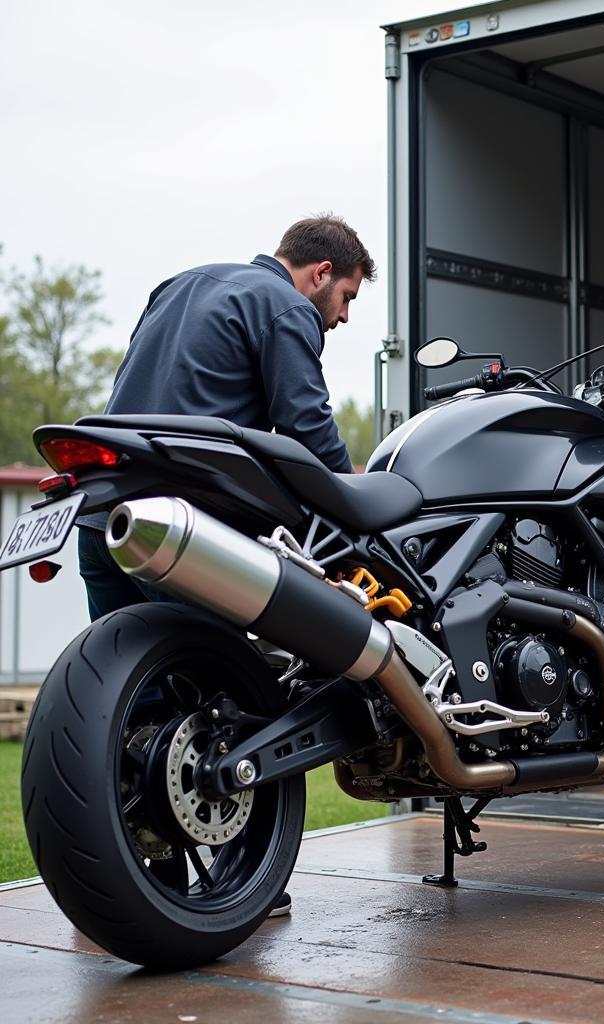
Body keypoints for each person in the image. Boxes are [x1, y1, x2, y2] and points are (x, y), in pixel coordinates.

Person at [76, 213, 376, 918]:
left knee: (135, 715)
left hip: (105, 517)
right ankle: (238, 883)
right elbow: (305, 425)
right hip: (185, 531)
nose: (341, 317)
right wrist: (360, 508)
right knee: (228, 709)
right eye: (346, 298)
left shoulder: (179, 285)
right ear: (320, 273)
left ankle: (150, 889)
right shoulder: (285, 307)